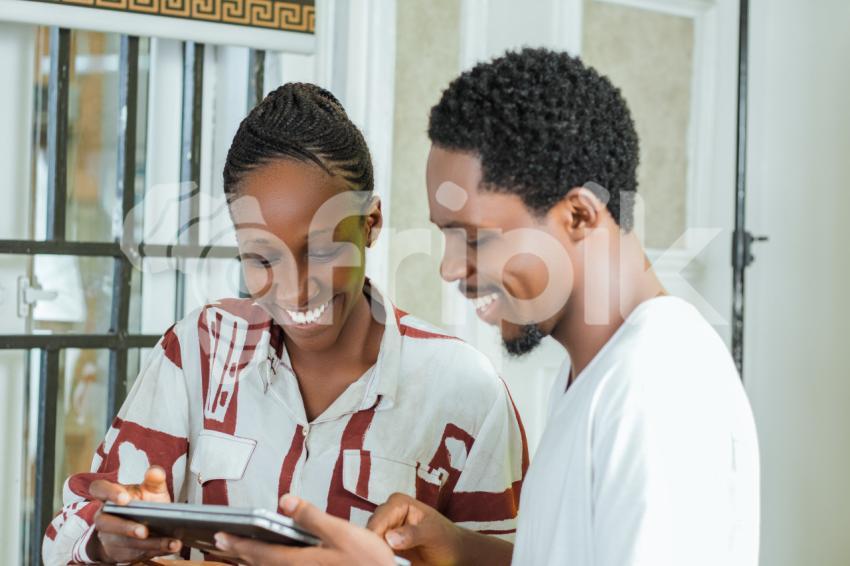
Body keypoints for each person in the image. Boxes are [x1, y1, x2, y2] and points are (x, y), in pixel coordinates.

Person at [216, 48, 760, 566]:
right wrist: (457, 549)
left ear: (578, 216)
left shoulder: (661, 386)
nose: (450, 269)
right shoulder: (594, 376)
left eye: (473, 239)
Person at [42, 83, 528, 565]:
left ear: (371, 224)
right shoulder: (198, 350)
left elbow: (523, 556)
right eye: (261, 257)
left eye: (320, 250)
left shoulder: (463, 387)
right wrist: (107, 540)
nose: (295, 290)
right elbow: (64, 537)